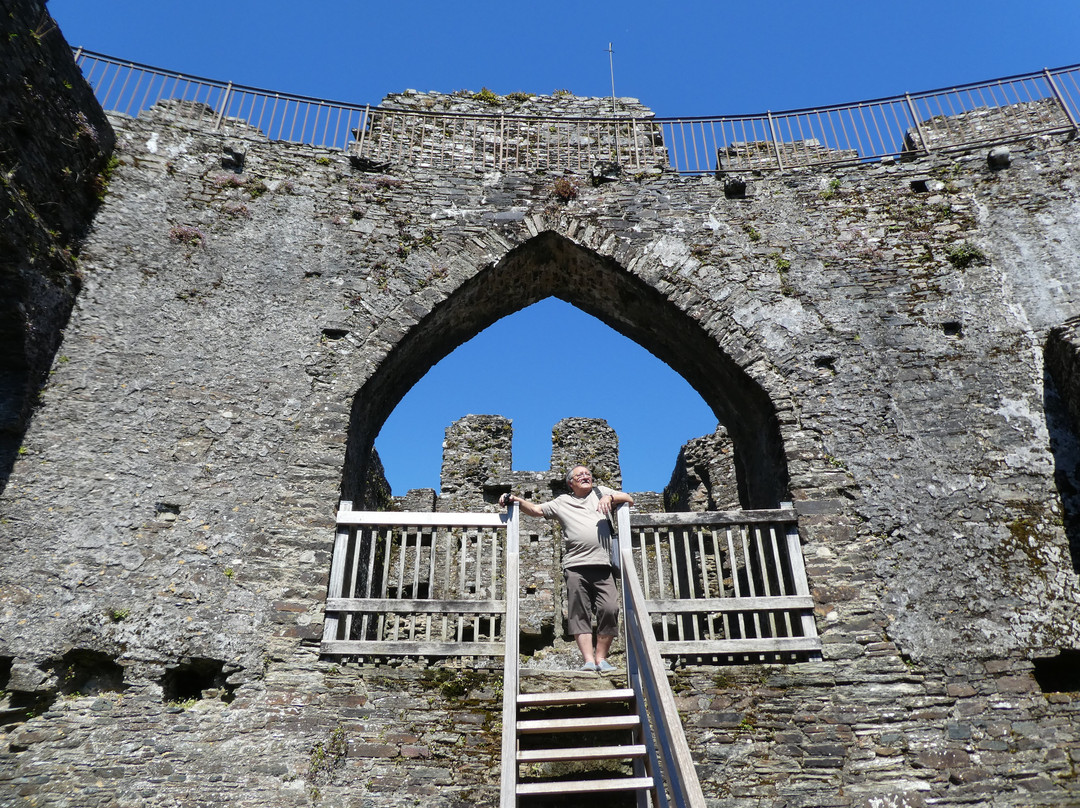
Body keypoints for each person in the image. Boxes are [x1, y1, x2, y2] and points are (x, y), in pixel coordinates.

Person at [500, 465, 634, 673]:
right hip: (575, 566)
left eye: (588, 473)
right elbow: (536, 510)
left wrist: (611, 498)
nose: (585, 476)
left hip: (603, 564)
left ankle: (601, 658)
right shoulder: (563, 502)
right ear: (570, 483)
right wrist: (517, 500)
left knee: (610, 609)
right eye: (579, 474)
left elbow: (629, 498)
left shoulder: (601, 492)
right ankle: (589, 661)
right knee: (579, 613)